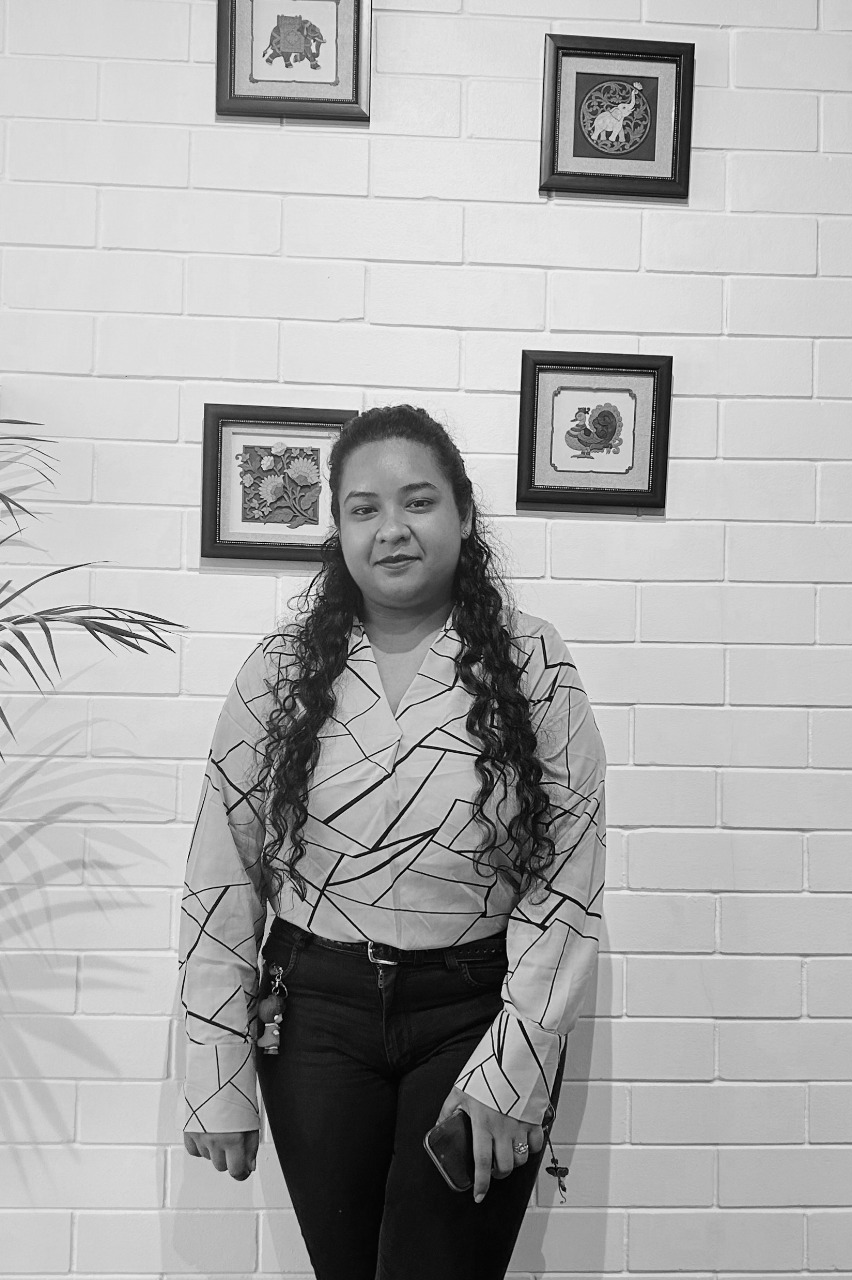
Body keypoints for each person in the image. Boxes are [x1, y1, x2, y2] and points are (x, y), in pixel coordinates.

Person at [178, 405, 606, 1280]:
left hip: (476, 1010)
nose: (392, 528)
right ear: (337, 529)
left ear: (463, 514)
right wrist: (215, 1070)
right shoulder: (280, 670)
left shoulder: (534, 665)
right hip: (314, 1017)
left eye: (418, 501)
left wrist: (516, 1067)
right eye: (363, 509)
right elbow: (221, 873)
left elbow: (567, 877)